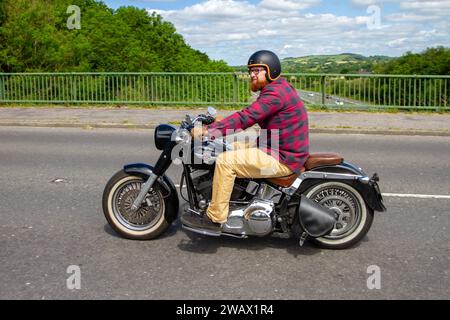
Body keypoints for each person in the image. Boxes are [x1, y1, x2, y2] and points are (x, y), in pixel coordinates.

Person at [181, 50, 309, 231]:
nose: (252, 75)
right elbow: (250, 113)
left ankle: (216, 216)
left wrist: (208, 131)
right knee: (227, 147)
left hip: (282, 157)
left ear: (270, 70)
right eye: (251, 71)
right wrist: (219, 123)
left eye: (257, 71)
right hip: (277, 147)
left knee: (226, 162)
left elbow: (247, 117)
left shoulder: (275, 93)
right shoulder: (278, 88)